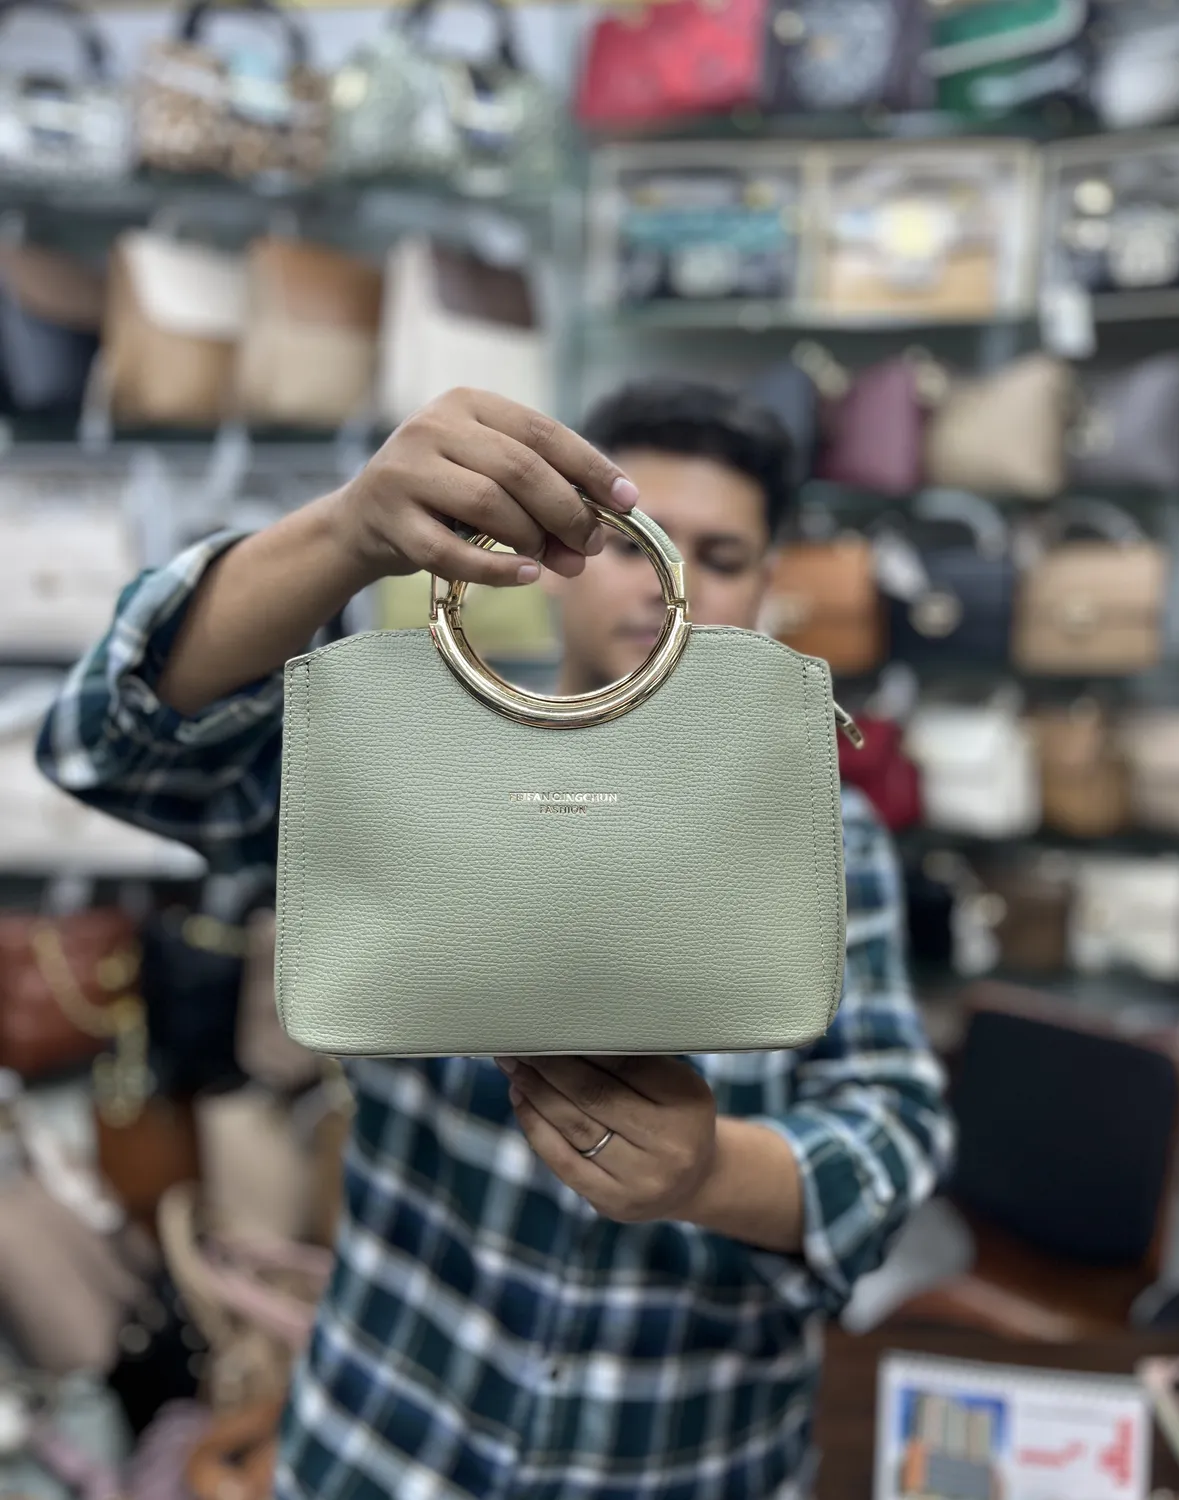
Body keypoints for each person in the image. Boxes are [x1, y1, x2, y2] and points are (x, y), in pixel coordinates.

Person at [38, 381, 954, 1500]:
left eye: (718, 556)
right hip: (388, 1449)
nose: (662, 580)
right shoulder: (412, 757)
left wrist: (717, 1175)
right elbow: (109, 744)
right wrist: (345, 534)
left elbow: (895, 1129)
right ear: (559, 555)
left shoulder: (816, 825)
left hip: (690, 1461)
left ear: (768, 583)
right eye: (629, 543)